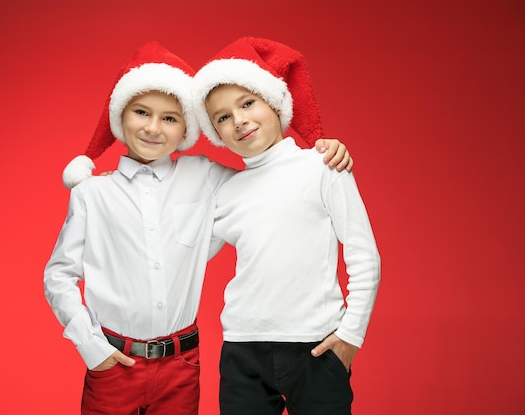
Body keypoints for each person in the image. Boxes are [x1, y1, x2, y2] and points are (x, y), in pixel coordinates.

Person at [44, 41, 352, 415]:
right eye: (141, 112)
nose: (154, 128)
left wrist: (324, 150)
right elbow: (59, 275)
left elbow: (264, 180)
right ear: (119, 116)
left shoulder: (205, 176)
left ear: (186, 128)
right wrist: (90, 346)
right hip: (114, 362)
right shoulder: (93, 193)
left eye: (170, 118)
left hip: (181, 365)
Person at [192, 36, 381, 415]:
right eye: (222, 118)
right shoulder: (228, 190)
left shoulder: (323, 165)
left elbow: (364, 257)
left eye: (247, 104)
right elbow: (186, 258)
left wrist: (350, 337)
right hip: (242, 351)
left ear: (275, 102)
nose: (239, 121)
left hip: (315, 347)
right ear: (216, 132)